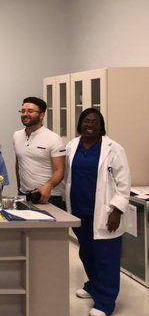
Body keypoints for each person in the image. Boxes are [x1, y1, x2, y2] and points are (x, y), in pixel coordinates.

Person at [65, 108, 130, 316]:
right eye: (86, 121)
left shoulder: (114, 149)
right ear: (80, 124)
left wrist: (116, 211)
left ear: (101, 126)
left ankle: (105, 302)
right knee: (86, 253)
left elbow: (123, 184)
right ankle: (94, 285)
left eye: (94, 121)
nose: (90, 125)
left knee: (106, 258)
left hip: (105, 213)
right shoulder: (72, 145)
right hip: (79, 210)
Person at [13, 96, 66, 208]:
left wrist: (48, 186)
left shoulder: (54, 139)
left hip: (48, 195)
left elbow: (60, 170)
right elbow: (19, 163)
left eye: (30, 111)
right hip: (25, 194)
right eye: (23, 111)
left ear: (41, 115)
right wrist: (19, 189)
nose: (25, 114)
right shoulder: (17, 136)